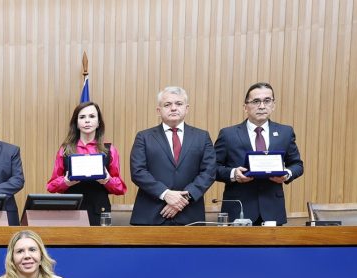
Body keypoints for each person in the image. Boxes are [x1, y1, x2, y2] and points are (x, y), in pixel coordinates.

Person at [215, 82, 304, 225]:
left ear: (273, 105)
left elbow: (297, 165)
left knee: (273, 248)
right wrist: (233, 174)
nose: (262, 106)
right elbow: (213, 168)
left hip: (272, 209)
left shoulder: (285, 132)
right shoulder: (228, 134)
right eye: (256, 101)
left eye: (267, 101)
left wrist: (287, 173)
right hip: (239, 209)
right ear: (245, 107)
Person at [129, 86, 216, 225]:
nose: (173, 108)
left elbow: (209, 172)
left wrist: (183, 199)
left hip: (190, 215)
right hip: (151, 216)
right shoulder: (144, 137)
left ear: (186, 108)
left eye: (179, 104)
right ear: (159, 110)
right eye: (167, 104)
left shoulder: (202, 137)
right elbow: (138, 172)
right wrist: (165, 194)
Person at [46, 102, 127, 226]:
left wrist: (107, 180)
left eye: (92, 116)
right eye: (82, 117)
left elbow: (121, 188)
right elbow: (51, 186)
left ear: (98, 122)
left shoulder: (109, 149)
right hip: (71, 212)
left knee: (100, 245)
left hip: (100, 211)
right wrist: (66, 182)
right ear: (77, 123)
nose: (87, 121)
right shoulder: (65, 150)